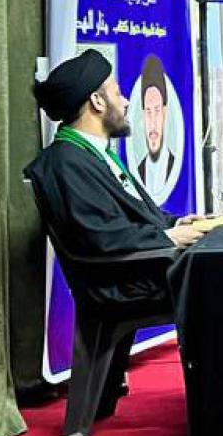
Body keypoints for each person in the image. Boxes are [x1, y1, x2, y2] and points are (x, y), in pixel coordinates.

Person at [23, 51, 207, 316]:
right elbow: (100, 235)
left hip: (142, 272)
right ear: (97, 101)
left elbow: (130, 216)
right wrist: (170, 237)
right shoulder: (64, 162)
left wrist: (177, 224)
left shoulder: (93, 154)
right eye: (118, 93)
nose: (126, 102)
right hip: (121, 285)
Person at [130, 56, 181, 204]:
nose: (152, 123)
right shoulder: (138, 172)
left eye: (157, 111)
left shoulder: (175, 165)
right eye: (148, 112)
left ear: (165, 113)